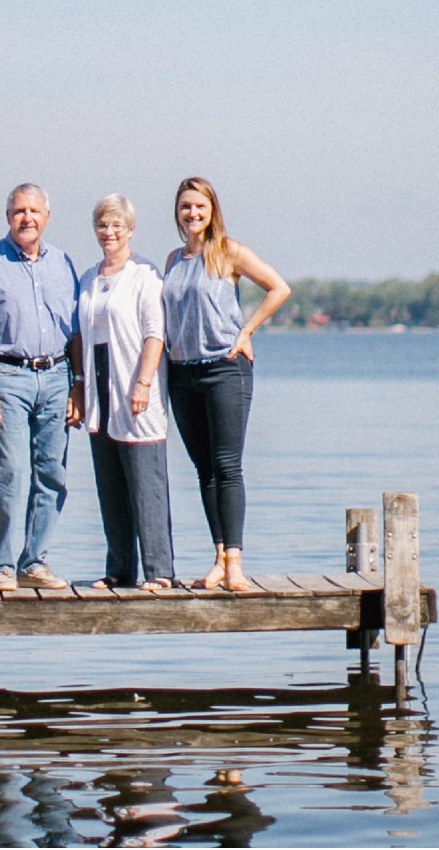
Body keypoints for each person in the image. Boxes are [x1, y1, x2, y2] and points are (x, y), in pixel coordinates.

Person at [0, 183, 81, 592]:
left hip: (57, 376)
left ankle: (35, 561)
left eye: (34, 211)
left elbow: (75, 331)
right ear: (8, 217)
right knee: (9, 473)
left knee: (52, 473)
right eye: (19, 211)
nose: (27, 218)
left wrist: (78, 385)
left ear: (47, 216)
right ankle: (3, 565)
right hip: (6, 376)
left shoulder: (63, 263)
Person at [161, 176, 291, 593]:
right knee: (204, 470)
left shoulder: (228, 252)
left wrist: (247, 331)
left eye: (200, 206)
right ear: (178, 213)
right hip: (182, 373)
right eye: (185, 207)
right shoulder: (173, 260)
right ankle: (218, 557)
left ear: (212, 209)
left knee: (227, 467)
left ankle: (235, 562)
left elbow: (278, 288)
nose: (192, 213)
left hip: (224, 369)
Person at [77, 194, 173, 591]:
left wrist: (143, 383)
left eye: (117, 225)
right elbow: (80, 336)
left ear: (130, 230)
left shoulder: (144, 274)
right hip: (100, 386)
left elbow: (156, 333)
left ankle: (159, 570)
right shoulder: (88, 277)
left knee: (146, 483)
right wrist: (80, 386)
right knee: (110, 484)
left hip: (134, 383)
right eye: (103, 225)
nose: (109, 232)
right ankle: (119, 567)